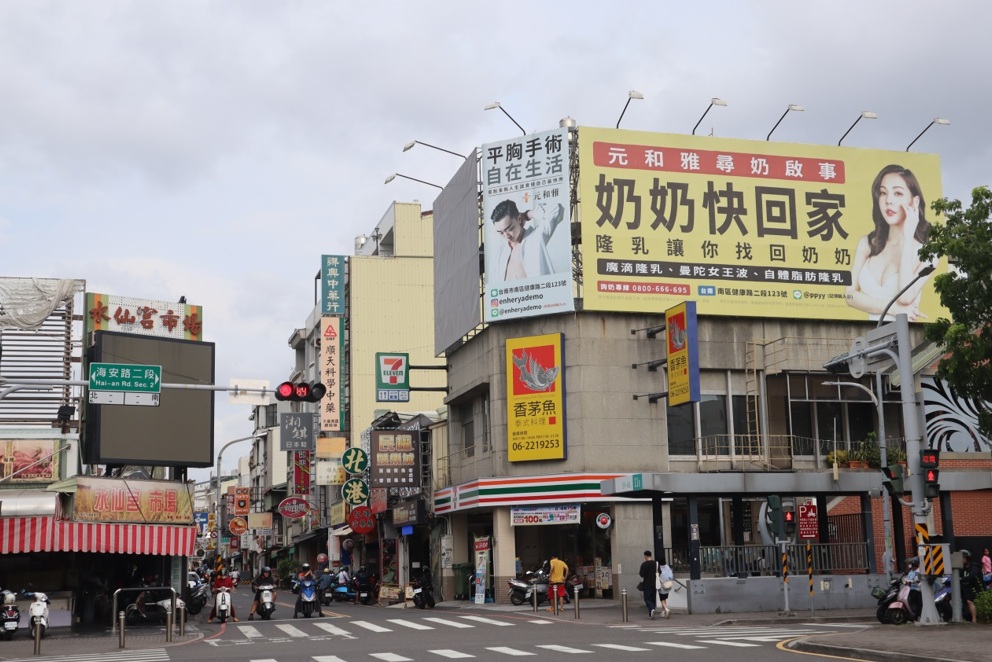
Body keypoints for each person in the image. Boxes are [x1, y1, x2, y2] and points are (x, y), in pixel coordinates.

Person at [846, 164, 933, 321]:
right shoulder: (867, 243)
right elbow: (849, 296)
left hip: (907, 333)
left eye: (898, 193)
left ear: (914, 201)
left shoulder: (928, 254)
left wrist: (908, 238)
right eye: (883, 193)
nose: (888, 201)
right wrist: (894, 308)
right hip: (873, 333)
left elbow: (905, 297)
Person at [490, 199, 566, 281]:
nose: (506, 236)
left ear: (519, 219)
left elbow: (556, 209)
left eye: (510, 229)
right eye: (501, 233)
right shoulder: (498, 255)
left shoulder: (536, 238)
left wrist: (528, 214)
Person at [959, 550, 981, 623]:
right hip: (967, 589)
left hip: (975, 588)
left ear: (967, 558)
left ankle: (974, 620)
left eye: (962, 558)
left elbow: (972, 576)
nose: (961, 560)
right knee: (966, 602)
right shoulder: (962, 569)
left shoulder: (974, 567)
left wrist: (962, 579)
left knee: (970, 601)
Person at [639, 550, 659, 619]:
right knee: (653, 598)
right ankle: (651, 612)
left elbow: (641, 574)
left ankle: (651, 609)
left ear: (645, 556)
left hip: (647, 584)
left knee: (647, 598)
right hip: (655, 583)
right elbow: (660, 572)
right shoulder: (656, 563)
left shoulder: (644, 564)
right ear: (651, 555)